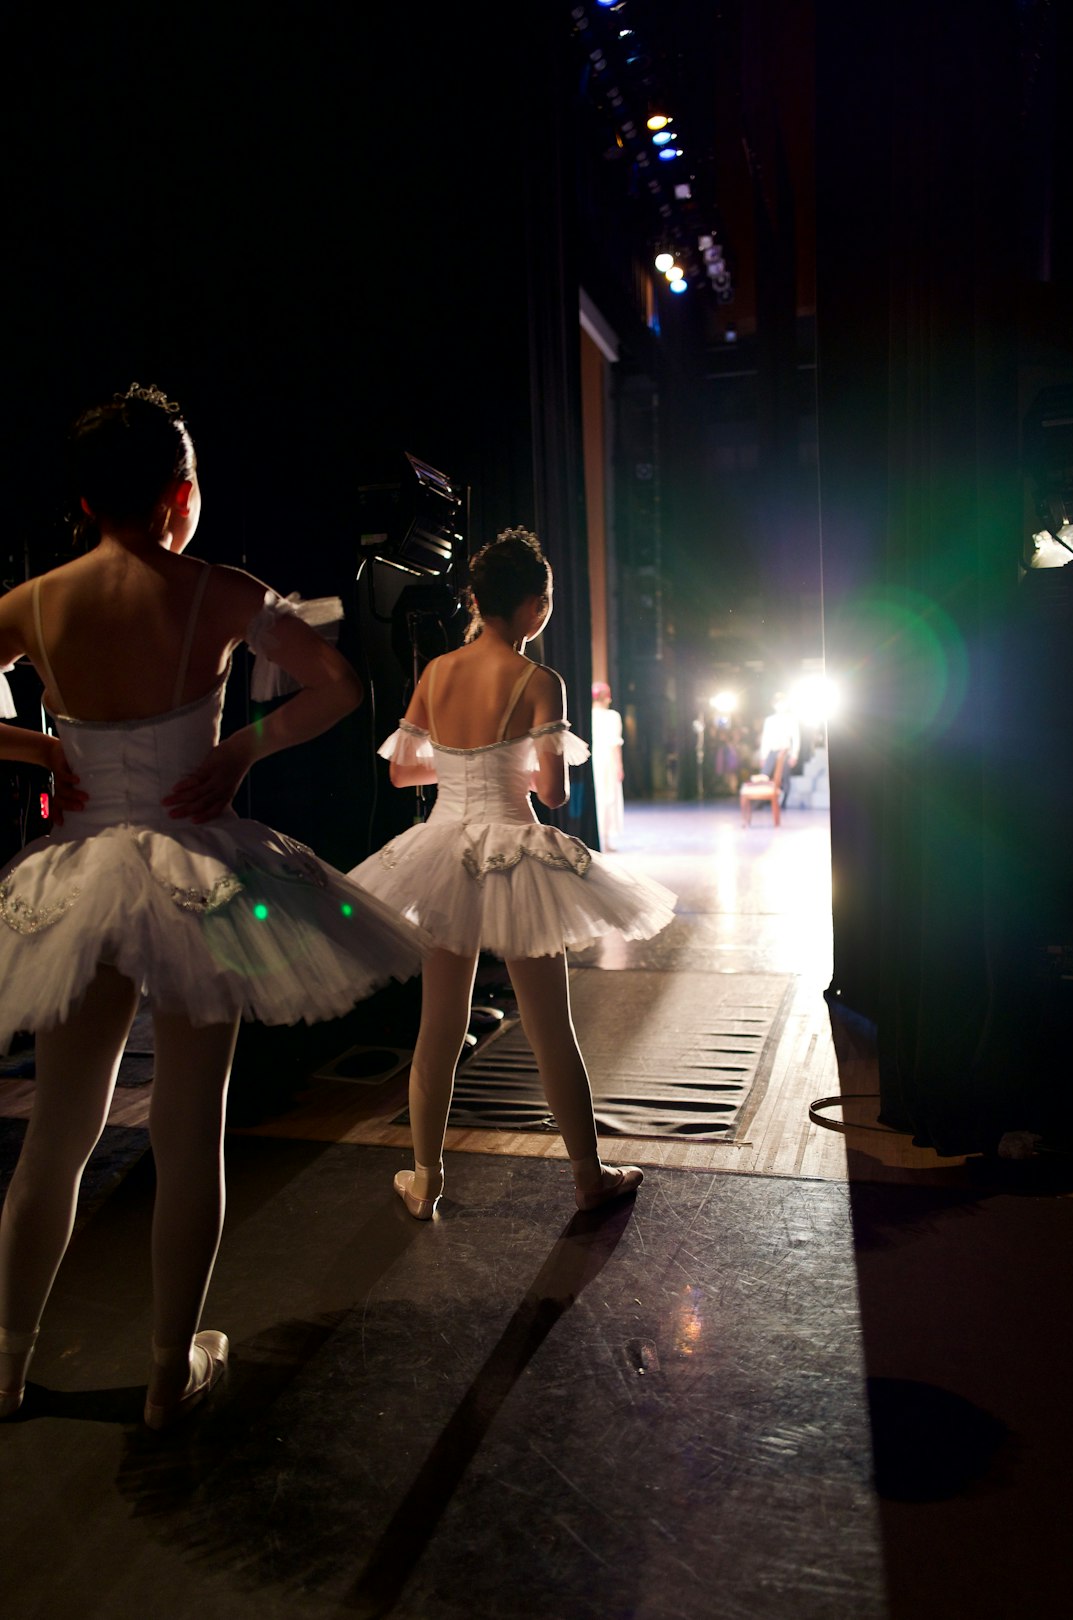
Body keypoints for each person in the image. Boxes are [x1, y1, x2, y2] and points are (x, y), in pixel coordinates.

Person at [0, 383, 424, 1428]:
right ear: (178, 493)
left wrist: (39, 745)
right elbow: (336, 683)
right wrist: (242, 747)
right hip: (200, 870)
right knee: (191, 1130)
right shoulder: (221, 592)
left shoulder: (35, 602)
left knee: (56, 1133)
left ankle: (4, 1371)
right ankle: (162, 1372)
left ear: (88, 502)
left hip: (81, 873)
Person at [350, 527, 676, 1221]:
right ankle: (588, 1175)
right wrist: (508, 766)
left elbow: (403, 769)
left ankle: (425, 1177)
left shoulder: (438, 672)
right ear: (532, 606)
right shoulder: (539, 681)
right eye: (548, 599)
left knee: (439, 1024)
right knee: (549, 1025)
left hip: (443, 850)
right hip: (513, 852)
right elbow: (554, 795)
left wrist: (465, 763)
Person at [590, 681, 625, 850]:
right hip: (607, 760)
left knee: (598, 796)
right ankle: (605, 840)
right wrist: (619, 766)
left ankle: (600, 838)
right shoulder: (612, 716)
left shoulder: (589, 716)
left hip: (594, 759)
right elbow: (615, 744)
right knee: (608, 797)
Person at [758, 692, 801, 807]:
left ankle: (784, 802)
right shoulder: (769, 720)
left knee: (784, 776)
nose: (780, 706)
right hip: (772, 751)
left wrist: (794, 755)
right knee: (764, 774)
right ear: (774, 705)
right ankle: (761, 800)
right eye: (777, 703)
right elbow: (765, 739)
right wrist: (763, 756)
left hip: (785, 751)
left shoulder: (792, 719)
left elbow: (796, 738)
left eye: (782, 703)